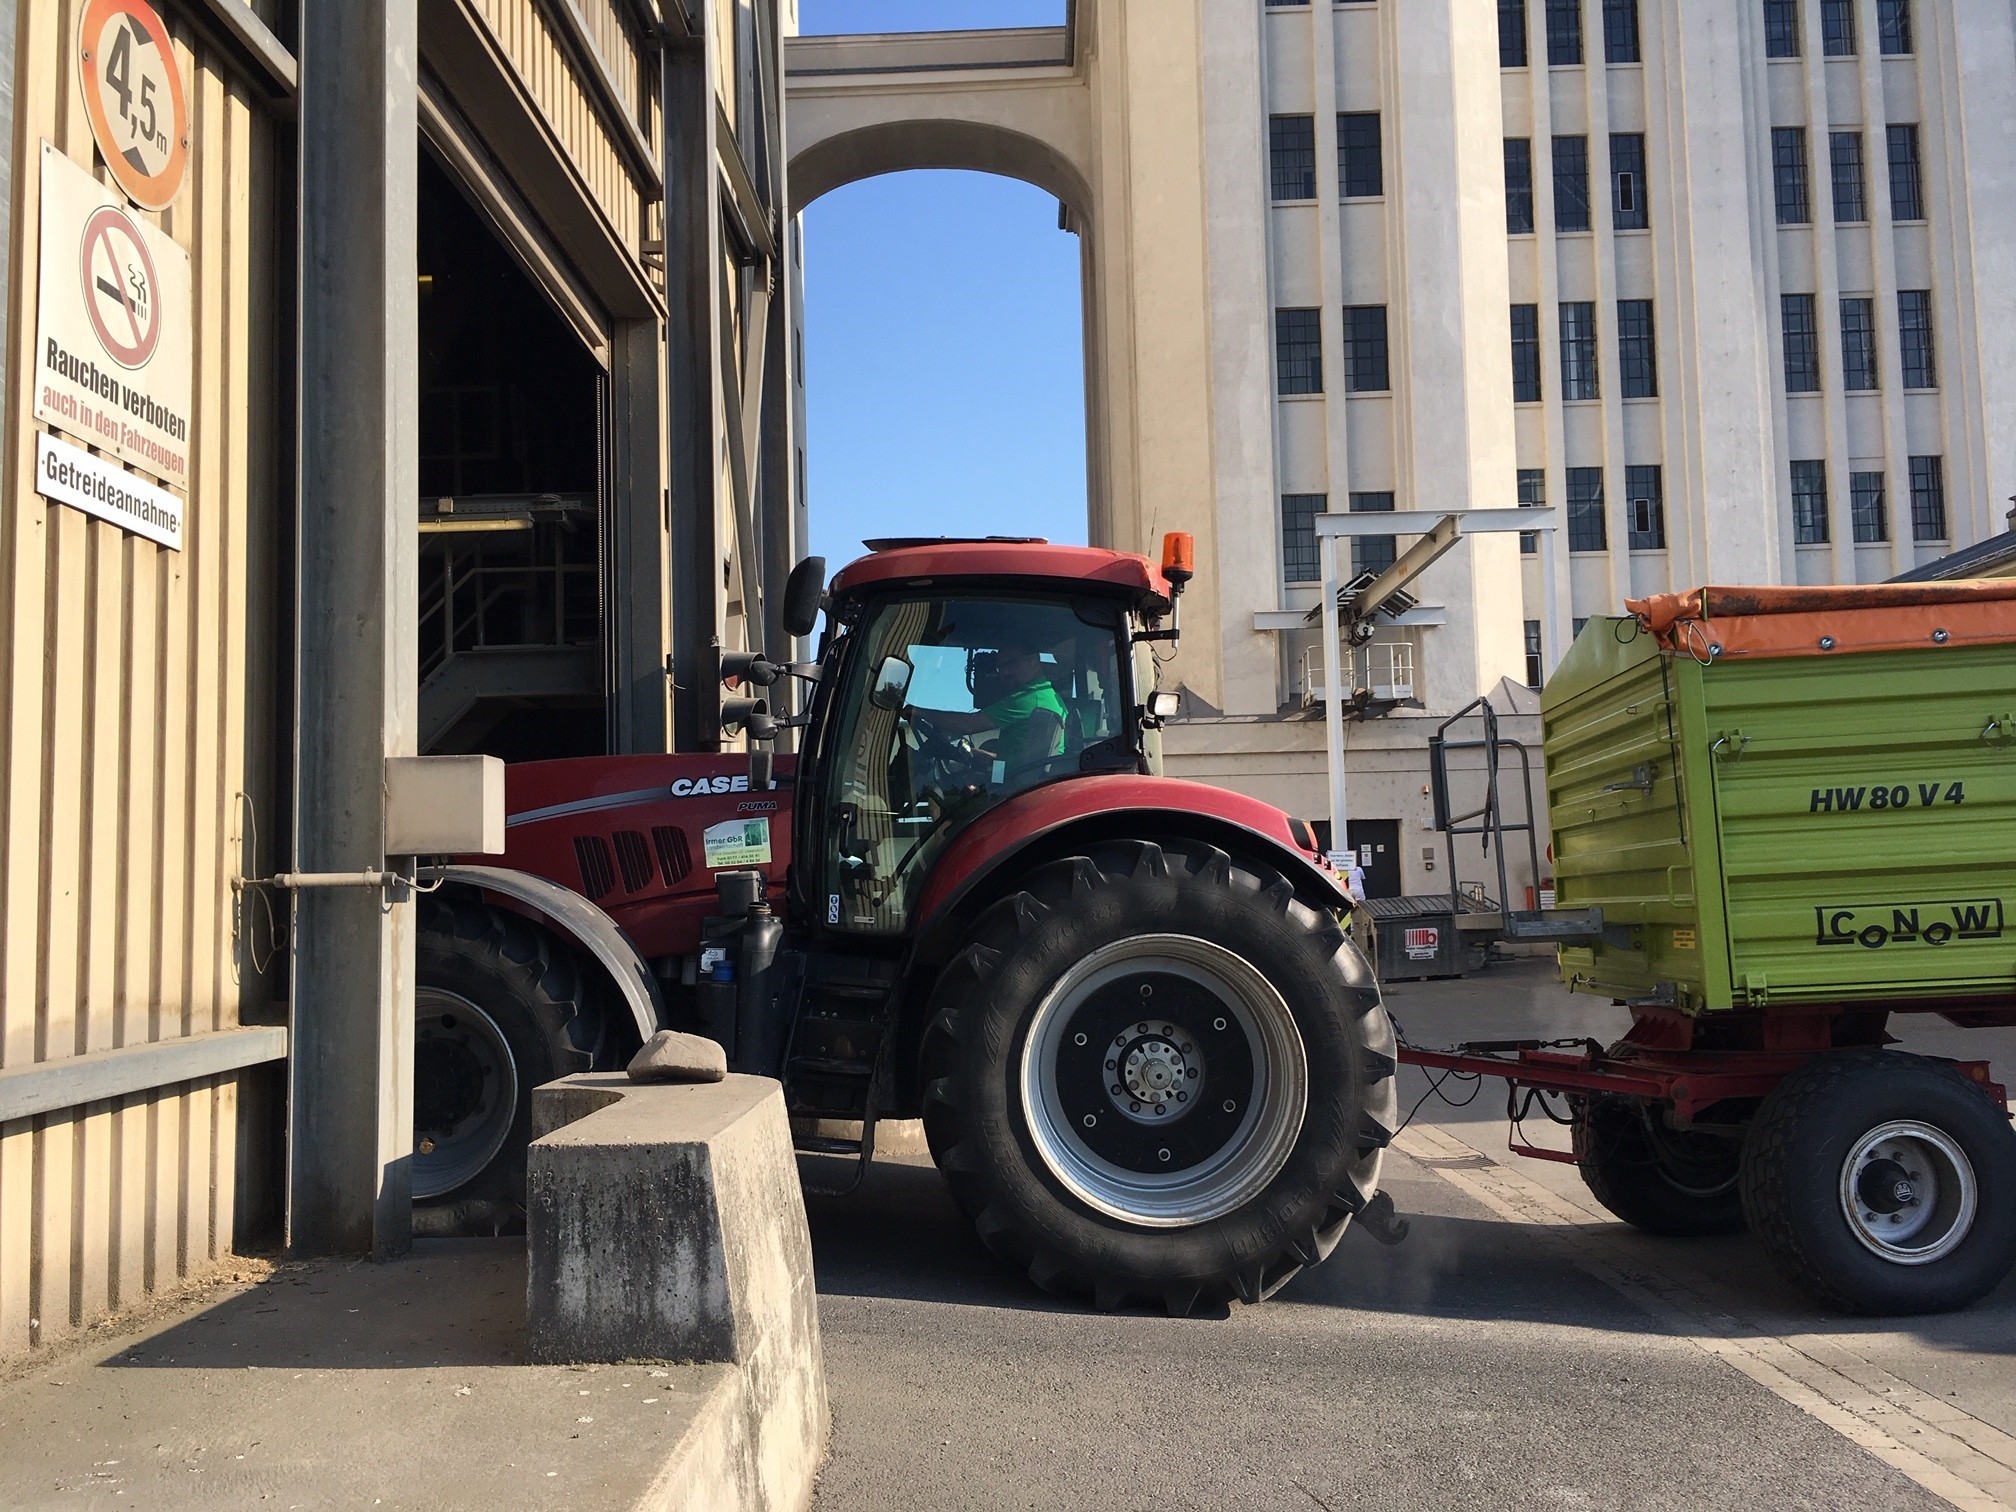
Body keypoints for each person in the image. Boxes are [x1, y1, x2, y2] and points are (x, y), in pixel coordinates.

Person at [913, 638, 1067, 778]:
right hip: (1019, 780)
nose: (1004, 672)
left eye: (1010, 663)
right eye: (1000, 667)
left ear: (1034, 662)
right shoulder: (1048, 695)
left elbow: (967, 725)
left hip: (1016, 787)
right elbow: (1031, 759)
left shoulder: (1028, 698)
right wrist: (991, 757)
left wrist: (918, 711)